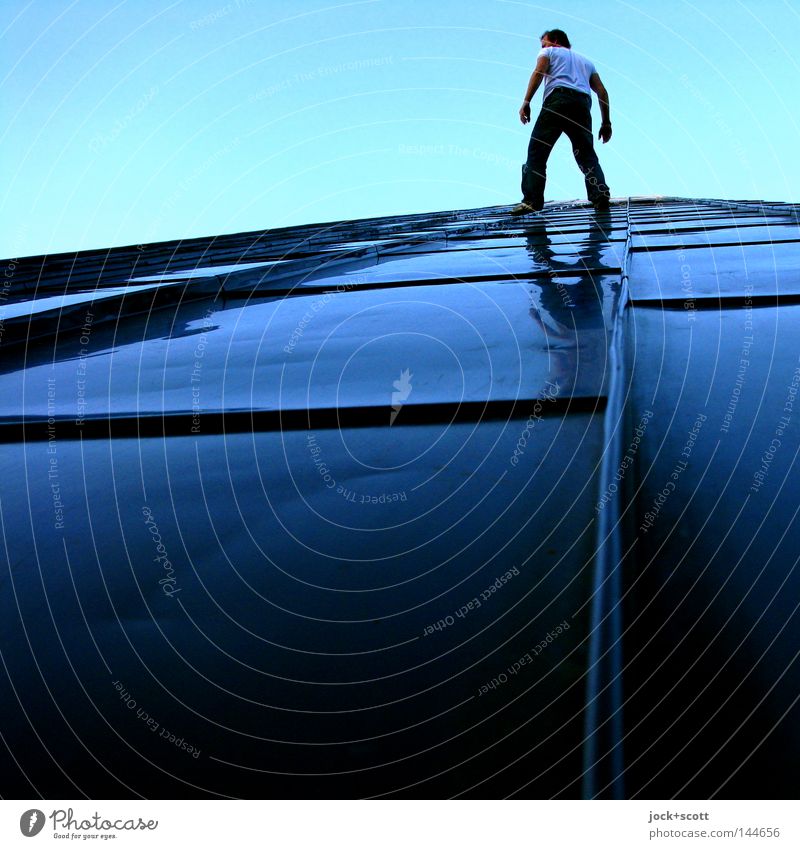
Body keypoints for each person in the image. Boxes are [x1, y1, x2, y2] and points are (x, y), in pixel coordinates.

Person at [511, 29, 612, 215]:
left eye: (544, 43)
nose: (542, 47)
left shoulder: (549, 52)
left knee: (537, 152)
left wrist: (526, 102)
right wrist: (606, 123)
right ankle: (600, 195)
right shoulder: (587, 62)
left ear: (555, 41)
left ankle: (532, 201)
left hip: (557, 101)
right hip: (582, 105)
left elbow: (539, 71)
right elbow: (602, 92)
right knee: (586, 155)